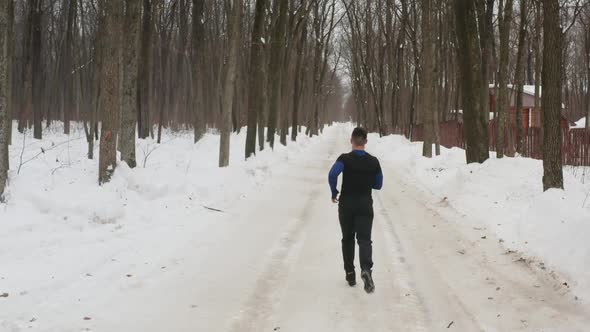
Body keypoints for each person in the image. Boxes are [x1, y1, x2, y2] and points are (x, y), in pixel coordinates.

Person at [328, 127, 383, 293]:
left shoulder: (344, 159)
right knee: (364, 240)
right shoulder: (374, 161)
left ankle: (350, 273)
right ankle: (366, 269)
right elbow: (378, 185)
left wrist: (334, 191)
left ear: (351, 141)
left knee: (348, 239)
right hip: (365, 204)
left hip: (347, 205)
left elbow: (332, 174)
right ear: (366, 141)